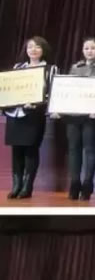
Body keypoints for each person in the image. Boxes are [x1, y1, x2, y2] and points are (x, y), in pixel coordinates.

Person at [4, 37, 57, 199]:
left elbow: (53, 94)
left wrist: (36, 103)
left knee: (31, 151)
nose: (33, 50)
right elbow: (10, 90)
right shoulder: (18, 67)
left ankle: (27, 187)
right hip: (15, 114)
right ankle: (16, 186)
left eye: (37, 47)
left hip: (34, 115)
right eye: (30, 47)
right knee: (16, 151)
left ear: (43, 50)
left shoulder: (50, 69)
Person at [57, 37, 95, 200]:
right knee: (74, 149)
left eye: (93, 48)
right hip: (74, 115)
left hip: (92, 116)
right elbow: (67, 91)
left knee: (90, 148)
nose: (89, 51)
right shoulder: (75, 67)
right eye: (86, 48)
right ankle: (74, 183)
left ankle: (88, 184)